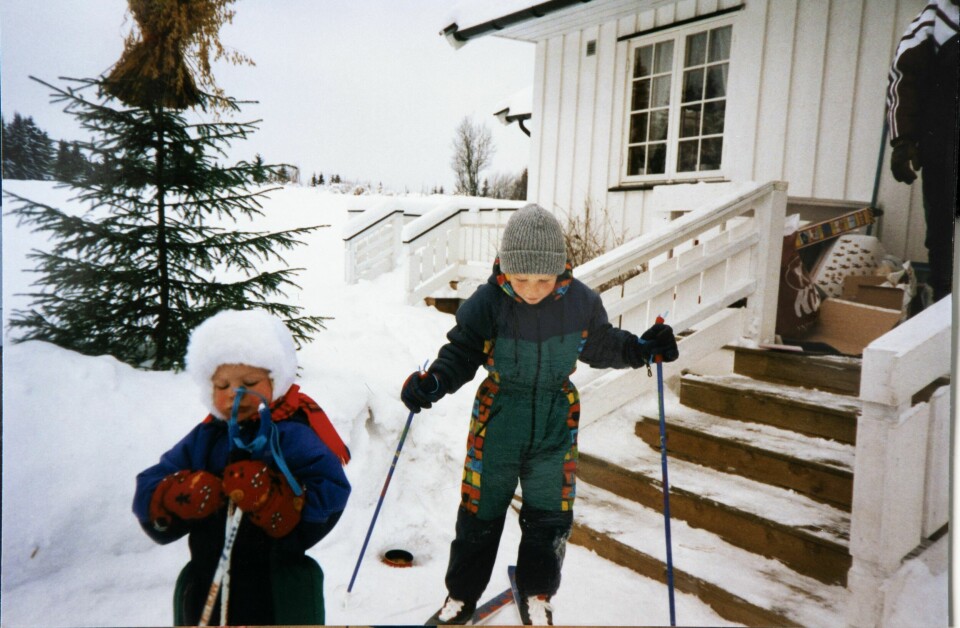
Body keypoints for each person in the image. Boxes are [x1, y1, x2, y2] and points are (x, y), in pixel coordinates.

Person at [401, 204, 678, 626]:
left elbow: (602, 344)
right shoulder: (488, 303)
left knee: (550, 515)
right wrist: (435, 382)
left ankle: (537, 591)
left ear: (562, 270)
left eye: (543, 280)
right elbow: (461, 353)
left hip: (555, 421)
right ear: (504, 270)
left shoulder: (580, 302)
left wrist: (641, 348)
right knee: (480, 512)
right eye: (521, 279)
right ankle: (460, 597)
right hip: (497, 420)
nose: (532, 290)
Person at [132, 309, 351, 625]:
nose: (235, 394)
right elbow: (152, 482)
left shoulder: (291, 434)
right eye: (222, 385)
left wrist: (276, 501)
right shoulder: (205, 438)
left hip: (276, 591)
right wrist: (172, 494)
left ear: (276, 381)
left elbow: (331, 490)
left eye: (250, 382)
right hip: (207, 586)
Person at [886, 0, 959, 301]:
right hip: (944, 143)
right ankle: (945, 302)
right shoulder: (936, 17)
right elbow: (904, 77)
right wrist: (903, 141)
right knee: (943, 231)